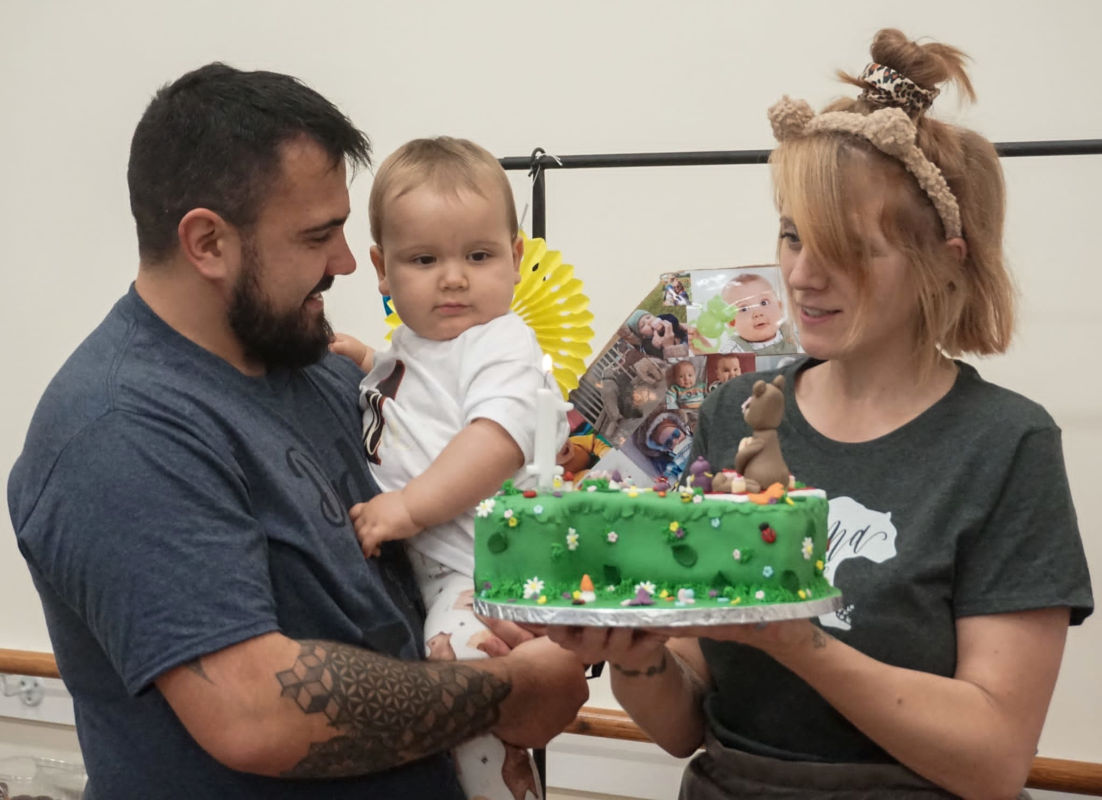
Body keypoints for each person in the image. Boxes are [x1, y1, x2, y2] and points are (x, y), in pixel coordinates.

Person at [6, 64, 586, 800]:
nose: (347, 264)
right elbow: (257, 714)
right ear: (208, 243)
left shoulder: (316, 369)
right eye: (319, 236)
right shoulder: (120, 432)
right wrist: (510, 689)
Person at [543, 29, 1093, 800]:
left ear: (945, 259)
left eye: (848, 248)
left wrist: (798, 641)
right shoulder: (738, 411)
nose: (801, 275)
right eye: (793, 234)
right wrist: (635, 657)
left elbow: (994, 759)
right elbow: (685, 728)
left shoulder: (1004, 443)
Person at [329, 136, 570, 800]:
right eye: (425, 259)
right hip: (437, 574)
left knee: (461, 670)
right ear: (382, 270)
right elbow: (416, 402)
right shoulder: (414, 346)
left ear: (516, 259)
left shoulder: (501, 341)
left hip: (486, 572)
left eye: (479, 255)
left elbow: (494, 440)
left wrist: (406, 510)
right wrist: (368, 365)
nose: (455, 277)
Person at [718, 271, 799, 355]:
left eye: (764, 303)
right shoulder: (733, 350)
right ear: (731, 322)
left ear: (779, 307)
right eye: (744, 309)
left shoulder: (792, 332)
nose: (757, 313)